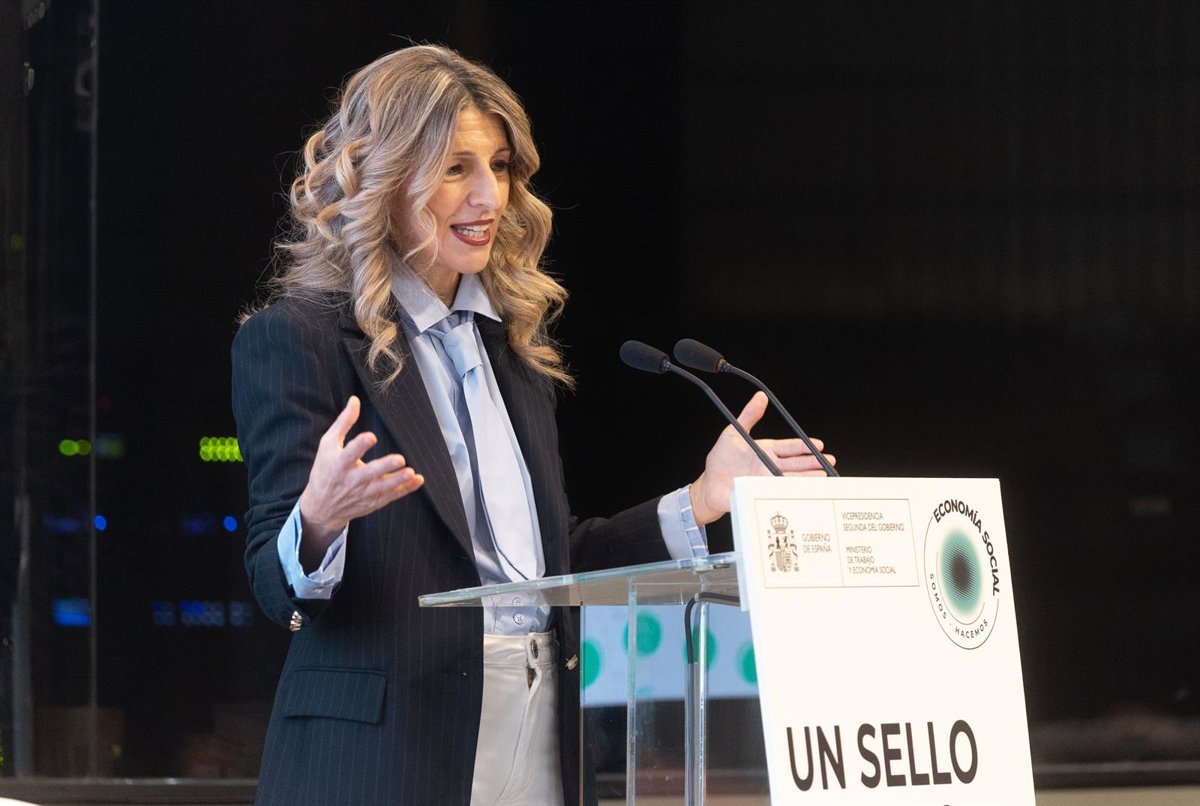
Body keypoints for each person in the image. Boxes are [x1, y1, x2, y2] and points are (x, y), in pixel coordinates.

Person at [232, 44, 834, 806]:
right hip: (386, 755)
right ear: (385, 178)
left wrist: (702, 498)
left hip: (544, 726)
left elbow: (551, 565)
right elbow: (275, 584)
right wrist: (318, 520)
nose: (490, 196)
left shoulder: (513, 351)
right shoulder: (300, 340)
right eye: (456, 168)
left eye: (501, 166)